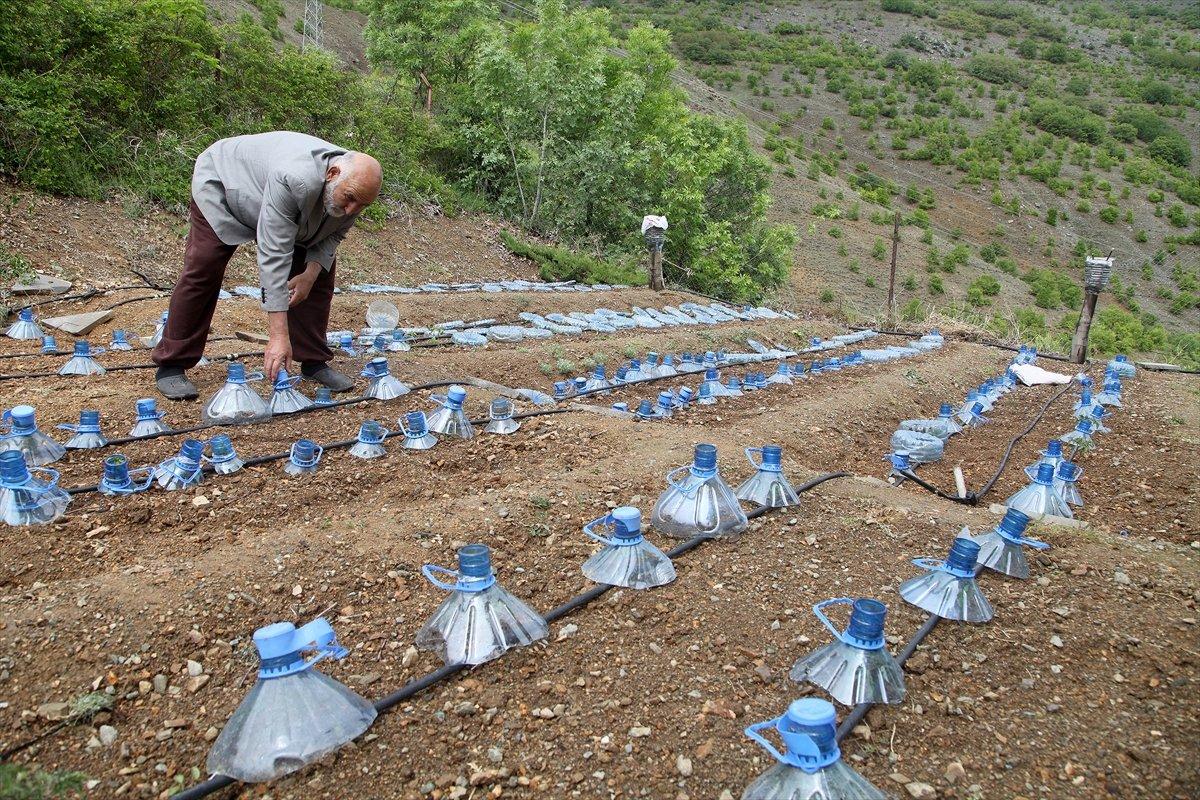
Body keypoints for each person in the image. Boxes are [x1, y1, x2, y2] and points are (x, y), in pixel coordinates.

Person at [152, 131, 382, 400]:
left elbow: (332, 236)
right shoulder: (295, 178)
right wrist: (277, 336)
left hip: (285, 202)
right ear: (332, 174)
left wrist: (310, 274)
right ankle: (172, 363)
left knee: (319, 276)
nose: (352, 210)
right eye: (350, 198)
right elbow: (274, 253)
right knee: (204, 268)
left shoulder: (354, 187)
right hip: (226, 185)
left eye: (362, 205)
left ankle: (313, 361)